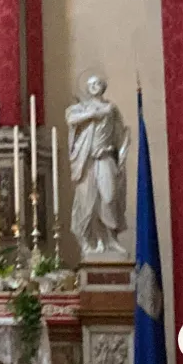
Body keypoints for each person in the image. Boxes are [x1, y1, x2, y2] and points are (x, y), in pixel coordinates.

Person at [67, 76, 129, 257]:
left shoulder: (111, 108)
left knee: (109, 197)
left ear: (104, 87)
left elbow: (120, 132)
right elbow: (70, 119)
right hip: (87, 161)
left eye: (98, 83)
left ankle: (111, 240)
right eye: (91, 84)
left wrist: (120, 151)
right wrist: (92, 115)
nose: (95, 86)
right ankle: (92, 242)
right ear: (87, 88)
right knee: (88, 202)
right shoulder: (82, 108)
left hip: (105, 157)